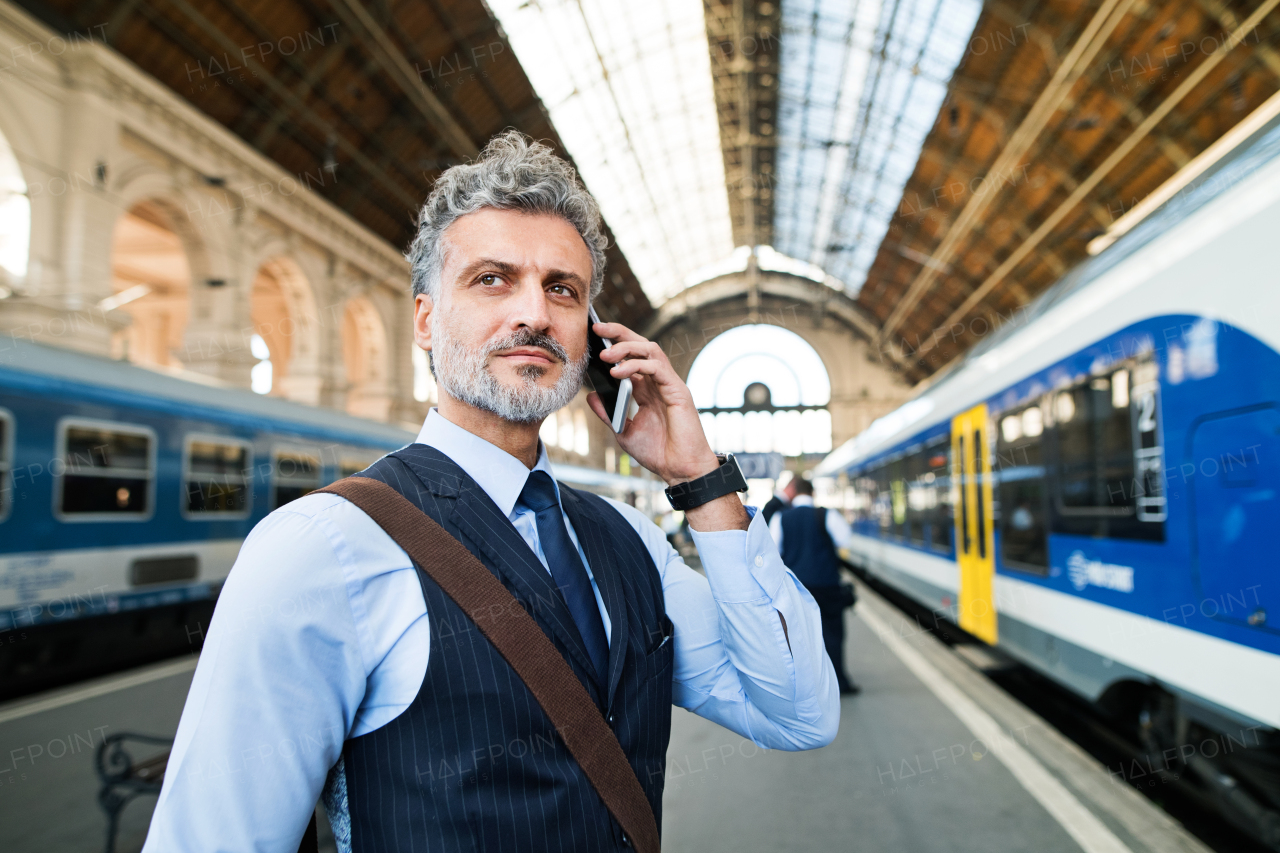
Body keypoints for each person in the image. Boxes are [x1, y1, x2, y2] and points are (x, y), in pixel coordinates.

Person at [143, 132, 838, 853]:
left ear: (592, 336)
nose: (534, 312)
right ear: (424, 319)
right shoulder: (321, 548)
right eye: (492, 279)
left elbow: (797, 710)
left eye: (562, 288)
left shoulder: (629, 542)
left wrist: (701, 480)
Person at [769, 477, 860, 696]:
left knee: (799, 635)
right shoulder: (827, 515)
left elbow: (773, 550)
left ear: (794, 494)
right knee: (832, 632)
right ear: (812, 493)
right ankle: (839, 682)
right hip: (826, 583)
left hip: (795, 586)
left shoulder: (781, 517)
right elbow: (845, 541)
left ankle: (806, 686)